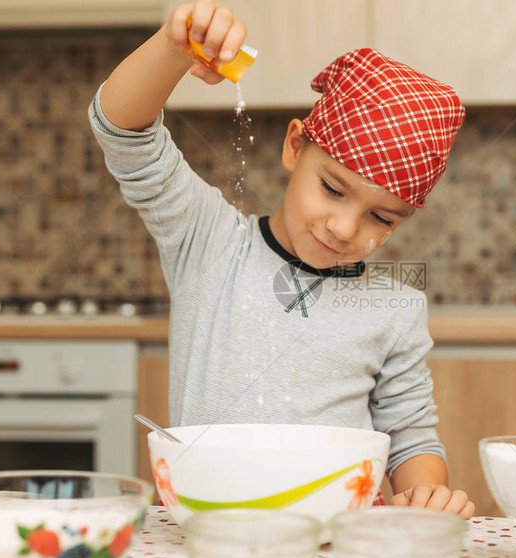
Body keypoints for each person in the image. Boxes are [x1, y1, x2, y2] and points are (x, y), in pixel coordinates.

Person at [91, 0, 474, 518]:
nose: (344, 229)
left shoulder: (394, 307)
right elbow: (123, 132)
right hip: (209, 528)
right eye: (332, 189)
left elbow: (410, 440)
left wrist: (424, 494)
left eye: (382, 219)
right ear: (295, 147)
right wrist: (172, 48)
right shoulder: (207, 241)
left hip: (332, 541)